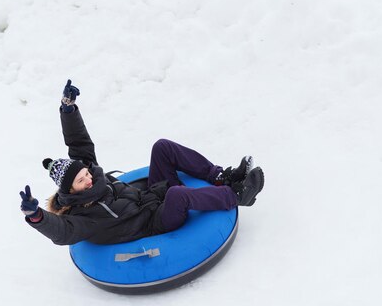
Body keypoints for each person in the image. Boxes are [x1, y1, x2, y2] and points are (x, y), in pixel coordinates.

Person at [20, 80, 265, 246]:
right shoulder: (85, 217)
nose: (89, 178)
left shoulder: (89, 174)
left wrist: (69, 110)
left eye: (86, 173)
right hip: (154, 222)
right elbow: (63, 232)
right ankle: (236, 195)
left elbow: (79, 144)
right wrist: (36, 217)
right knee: (179, 195)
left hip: (150, 196)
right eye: (82, 180)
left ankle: (221, 177)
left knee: (162, 147)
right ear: (70, 190)